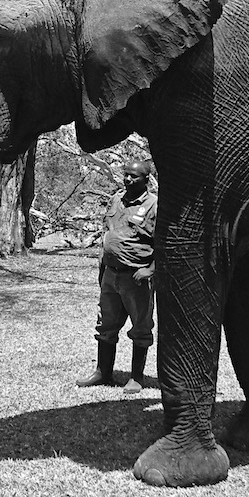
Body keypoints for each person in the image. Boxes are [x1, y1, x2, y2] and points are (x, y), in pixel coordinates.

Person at [77, 160, 157, 394]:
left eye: (134, 176)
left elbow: (163, 241)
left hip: (136, 276)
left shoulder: (154, 205)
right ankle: (103, 372)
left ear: (146, 180)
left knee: (141, 327)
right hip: (111, 274)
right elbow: (108, 231)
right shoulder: (116, 199)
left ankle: (136, 377)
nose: (129, 180)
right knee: (105, 324)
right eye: (126, 175)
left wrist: (151, 270)